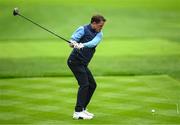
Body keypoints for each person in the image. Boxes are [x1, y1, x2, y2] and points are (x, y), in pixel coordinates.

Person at [67, 15, 106, 120]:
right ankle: (78, 112)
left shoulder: (99, 34)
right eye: (100, 26)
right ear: (93, 23)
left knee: (92, 85)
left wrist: (82, 45)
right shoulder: (82, 29)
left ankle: (83, 109)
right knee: (84, 84)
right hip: (75, 61)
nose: (101, 28)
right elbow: (72, 41)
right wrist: (73, 43)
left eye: (102, 26)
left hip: (83, 63)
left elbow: (93, 43)